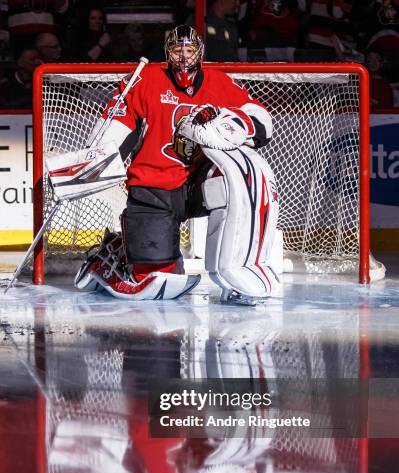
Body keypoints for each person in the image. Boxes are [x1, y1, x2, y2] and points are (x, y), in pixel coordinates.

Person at [75, 25, 280, 303]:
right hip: (153, 187)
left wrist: (236, 125)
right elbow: (113, 131)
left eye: (190, 50)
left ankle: (240, 267)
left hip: (197, 184)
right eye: (177, 50)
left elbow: (263, 119)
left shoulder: (221, 84)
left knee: (245, 172)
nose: (184, 57)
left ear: (200, 52)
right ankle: (117, 251)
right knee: (162, 275)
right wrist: (97, 158)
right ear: (167, 53)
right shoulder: (144, 80)